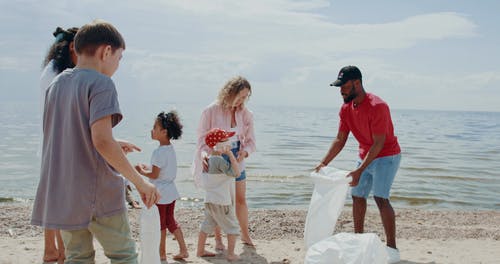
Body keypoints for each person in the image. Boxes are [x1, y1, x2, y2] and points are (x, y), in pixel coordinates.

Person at [31, 20, 160, 263]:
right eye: (119, 58)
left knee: (78, 257)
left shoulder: (56, 84)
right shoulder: (101, 83)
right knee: (123, 255)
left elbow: (65, 136)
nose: (118, 65)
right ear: (106, 51)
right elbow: (101, 142)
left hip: (65, 194)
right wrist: (140, 182)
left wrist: (114, 141)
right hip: (97, 193)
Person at [315, 65, 402, 264]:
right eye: (339, 87)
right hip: (365, 154)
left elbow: (379, 143)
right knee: (357, 196)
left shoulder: (377, 106)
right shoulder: (346, 108)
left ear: (357, 83)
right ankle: (358, 241)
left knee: (381, 198)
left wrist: (359, 170)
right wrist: (323, 162)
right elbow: (340, 139)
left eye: (343, 86)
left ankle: (392, 247)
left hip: (387, 155)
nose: (341, 90)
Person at [192, 76, 256, 248]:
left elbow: (251, 141)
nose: (242, 101)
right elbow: (201, 139)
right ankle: (219, 239)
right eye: (240, 96)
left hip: (237, 157)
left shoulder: (245, 113)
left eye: (246, 97)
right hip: (216, 156)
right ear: (230, 92)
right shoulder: (210, 110)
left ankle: (245, 235)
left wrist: (246, 152)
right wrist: (205, 155)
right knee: (220, 199)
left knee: (240, 199)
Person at [38, 26, 79, 263]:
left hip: (49, 142)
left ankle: (51, 250)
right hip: (57, 143)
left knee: (53, 198)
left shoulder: (50, 70)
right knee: (61, 200)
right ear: (73, 47)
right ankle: (61, 252)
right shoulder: (59, 75)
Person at [135, 110, 189, 261]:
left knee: (160, 224)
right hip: (171, 191)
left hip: (160, 193)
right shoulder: (170, 149)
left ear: (164, 132)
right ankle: (183, 249)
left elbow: (155, 175)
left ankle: (162, 253)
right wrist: (149, 169)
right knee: (170, 221)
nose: (152, 130)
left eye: (154, 128)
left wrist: (141, 171)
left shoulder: (158, 152)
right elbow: (162, 170)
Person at [197, 128, 241, 261]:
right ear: (219, 144)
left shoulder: (209, 160)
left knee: (207, 224)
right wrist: (231, 155)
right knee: (232, 226)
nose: (229, 142)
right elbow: (236, 173)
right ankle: (231, 254)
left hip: (210, 200)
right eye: (226, 140)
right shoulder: (220, 161)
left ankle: (200, 250)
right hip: (222, 202)